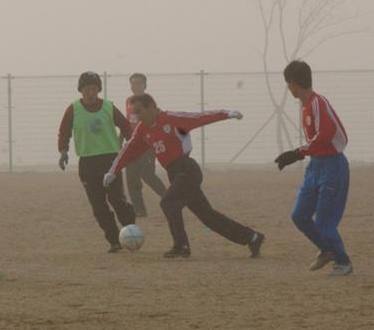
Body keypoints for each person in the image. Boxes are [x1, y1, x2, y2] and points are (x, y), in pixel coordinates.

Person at [104, 94, 265, 259]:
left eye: (140, 111)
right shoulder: (142, 129)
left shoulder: (172, 119)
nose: (137, 116)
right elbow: (129, 149)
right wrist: (113, 171)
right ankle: (252, 237)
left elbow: (200, 118)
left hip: (187, 170)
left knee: (168, 203)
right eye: (134, 113)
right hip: (174, 174)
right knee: (207, 216)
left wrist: (227, 113)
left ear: (151, 106)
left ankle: (181, 246)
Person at [274, 60, 353, 276]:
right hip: (315, 165)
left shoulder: (318, 103)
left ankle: (343, 262)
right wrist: (301, 154)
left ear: (293, 83)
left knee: (325, 222)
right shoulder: (306, 105)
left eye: (287, 84)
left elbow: (325, 134)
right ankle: (327, 249)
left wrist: (297, 153)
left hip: (332, 166)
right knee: (300, 215)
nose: (288, 88)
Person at [57, 71, 137, 252]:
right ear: (81, 91)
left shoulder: (108, 107)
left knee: (117, 200)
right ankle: (114, 240)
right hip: (87, 163)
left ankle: (130, 230)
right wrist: (63, 151)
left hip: (111, 161)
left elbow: (126, 127)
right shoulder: (73, 109)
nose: (90, 93)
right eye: (86, 89)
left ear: (98, 89)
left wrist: (132, 147)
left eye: (93, 89)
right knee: (98, 205)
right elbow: (64, 132)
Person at [123, 73, 168, 217]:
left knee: (147, 175)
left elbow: (156, 120)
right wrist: (121, 140)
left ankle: (169, 198)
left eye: (139, 83)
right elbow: (128, 122)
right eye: (133, 83)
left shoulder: (149, 101)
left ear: (145, 85)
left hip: (147, 144)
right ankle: (140, 210)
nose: (135, 86)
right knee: (131, 178)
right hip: (132, 144)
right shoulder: (129, 101)